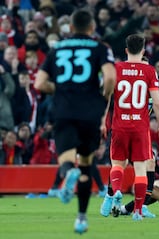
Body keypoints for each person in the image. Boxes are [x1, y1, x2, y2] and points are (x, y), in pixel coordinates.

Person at [34, 9, 116, 234]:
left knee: (66, 158)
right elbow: (110, 77)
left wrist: (59, 90)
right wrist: (102, 97)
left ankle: (68, 170)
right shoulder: (101, 48)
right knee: (87, 163)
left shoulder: (57, 49)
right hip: (90, 112)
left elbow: (39, 83)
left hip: (64, 110)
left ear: (70, 28)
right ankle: (81, 218)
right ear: (92, 28)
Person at [100, 33, 159, 221]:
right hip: (140, 128)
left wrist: (102, 122)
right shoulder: (149, 71)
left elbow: (106, 97)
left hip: (120, 126)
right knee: (140, 170)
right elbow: (158, 103)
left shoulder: (115, 69)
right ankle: (137, 211)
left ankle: (116, 192)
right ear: (143, 50)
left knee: (117, 165)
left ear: (126, 50)